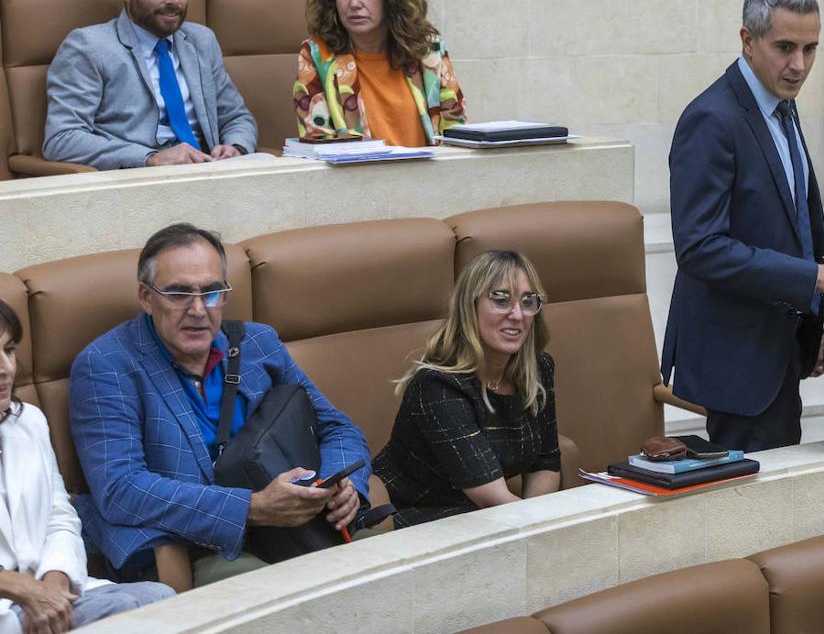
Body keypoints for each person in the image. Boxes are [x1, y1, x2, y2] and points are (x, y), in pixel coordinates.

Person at [68, 224, 371, 586]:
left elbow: (337, 427)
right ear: (146, 297)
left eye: (211, 292)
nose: (198, 309)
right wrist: (252, 508)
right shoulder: (106, 364)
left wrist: (339, 484)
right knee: (272, 597)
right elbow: (120, 489)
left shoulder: (259, 343)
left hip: (297, 524)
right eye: (179, 293)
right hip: (195, 544)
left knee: (382, 570)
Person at [661, 0, 824, 453]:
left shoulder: (779, 106)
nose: (799, 65)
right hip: (737, 363)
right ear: (748, 42)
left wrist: (810, 328)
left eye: (811, 49)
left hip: (778, 350)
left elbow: (796, 225)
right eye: (785, 47)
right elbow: (699, 248)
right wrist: (810, 277)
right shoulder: (712, 119)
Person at [0, 300, 174, 633]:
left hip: (50, 599)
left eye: (8, 350)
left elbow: (58, 515)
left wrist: (54, 581)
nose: (5, 368)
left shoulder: (28, 423)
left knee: (162, 598)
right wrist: (18, 587)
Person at [372, 250, 560, 527]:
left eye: (528, 301)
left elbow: (546, 463)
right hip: (414, 517)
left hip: (490, 516)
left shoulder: (538, 368)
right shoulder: (437, 385)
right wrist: (549, 532)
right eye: (501, 299)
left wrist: (537, 521)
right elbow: (490, 495)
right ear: (469, 307)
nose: (518, 314)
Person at [44, 0, 257, 169]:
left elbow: (237, 117)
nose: (174, 0)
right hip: (140, 182)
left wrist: (236, 146)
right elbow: (62, 139)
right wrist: (149, 157)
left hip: (211, 172)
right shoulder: (89, 46)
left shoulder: (201, 41)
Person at [295, 0, 466, 147]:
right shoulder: (318, 55)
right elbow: (317, 141)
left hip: (428, 177)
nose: (354, 3)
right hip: (358, 177)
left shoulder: (428, 50)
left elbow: (457, 131)